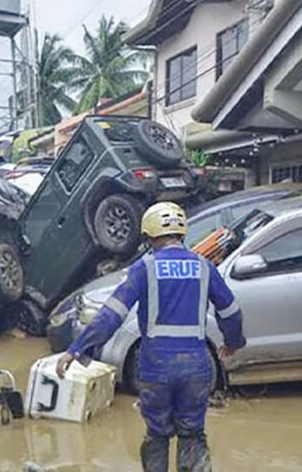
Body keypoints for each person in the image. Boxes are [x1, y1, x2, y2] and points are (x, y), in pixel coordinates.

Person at [56, 202, 246, 472]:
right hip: (196, 366)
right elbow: (231, 311)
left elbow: (111, 315)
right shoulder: (204, 267)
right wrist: (233, 342)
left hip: (155, 368)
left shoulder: (144, 268)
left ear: (149, 236)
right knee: (192, 434)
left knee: (157, 434)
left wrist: (77, 349)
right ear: (181, 234)